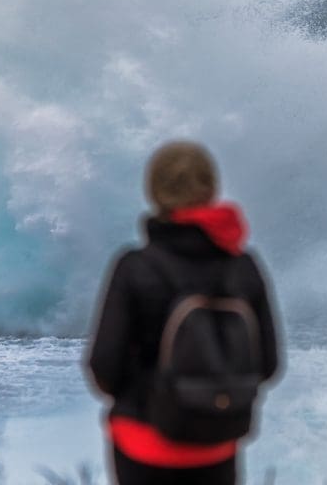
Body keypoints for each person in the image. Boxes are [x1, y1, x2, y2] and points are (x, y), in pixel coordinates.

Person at [87, 140, 281, 485]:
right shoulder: (244, 267)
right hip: (217, 443)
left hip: (142, 445)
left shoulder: (135, 267)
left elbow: (105, 369)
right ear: (211, 188)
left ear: (154, 192)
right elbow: (269, 365)